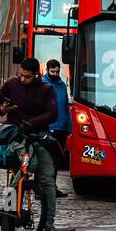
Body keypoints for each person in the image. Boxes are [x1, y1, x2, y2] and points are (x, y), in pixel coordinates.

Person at [0, 57, 59, 231]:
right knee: (31, 165)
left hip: (39, 136)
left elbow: (53, 113)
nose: (22, 79)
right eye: (20, 75)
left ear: (36, 75)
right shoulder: (11, 84)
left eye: (27, 77)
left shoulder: (46, 89)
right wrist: (3, 110)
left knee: (47, 179)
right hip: (17, 136)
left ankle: (49, 222)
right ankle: (9, 207)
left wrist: (32, 123)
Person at [43, 59, 72, 198]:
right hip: (48, 127)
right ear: (47, 70)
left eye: (57, 71)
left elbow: (66, 106)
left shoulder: (61, 84)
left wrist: (69, 126)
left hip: (61, 126)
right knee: (45, 160)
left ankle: (52, 187)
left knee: (56, 160)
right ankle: (42, 188)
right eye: (52, 71)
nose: (55, 73)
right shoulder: (43, 84)